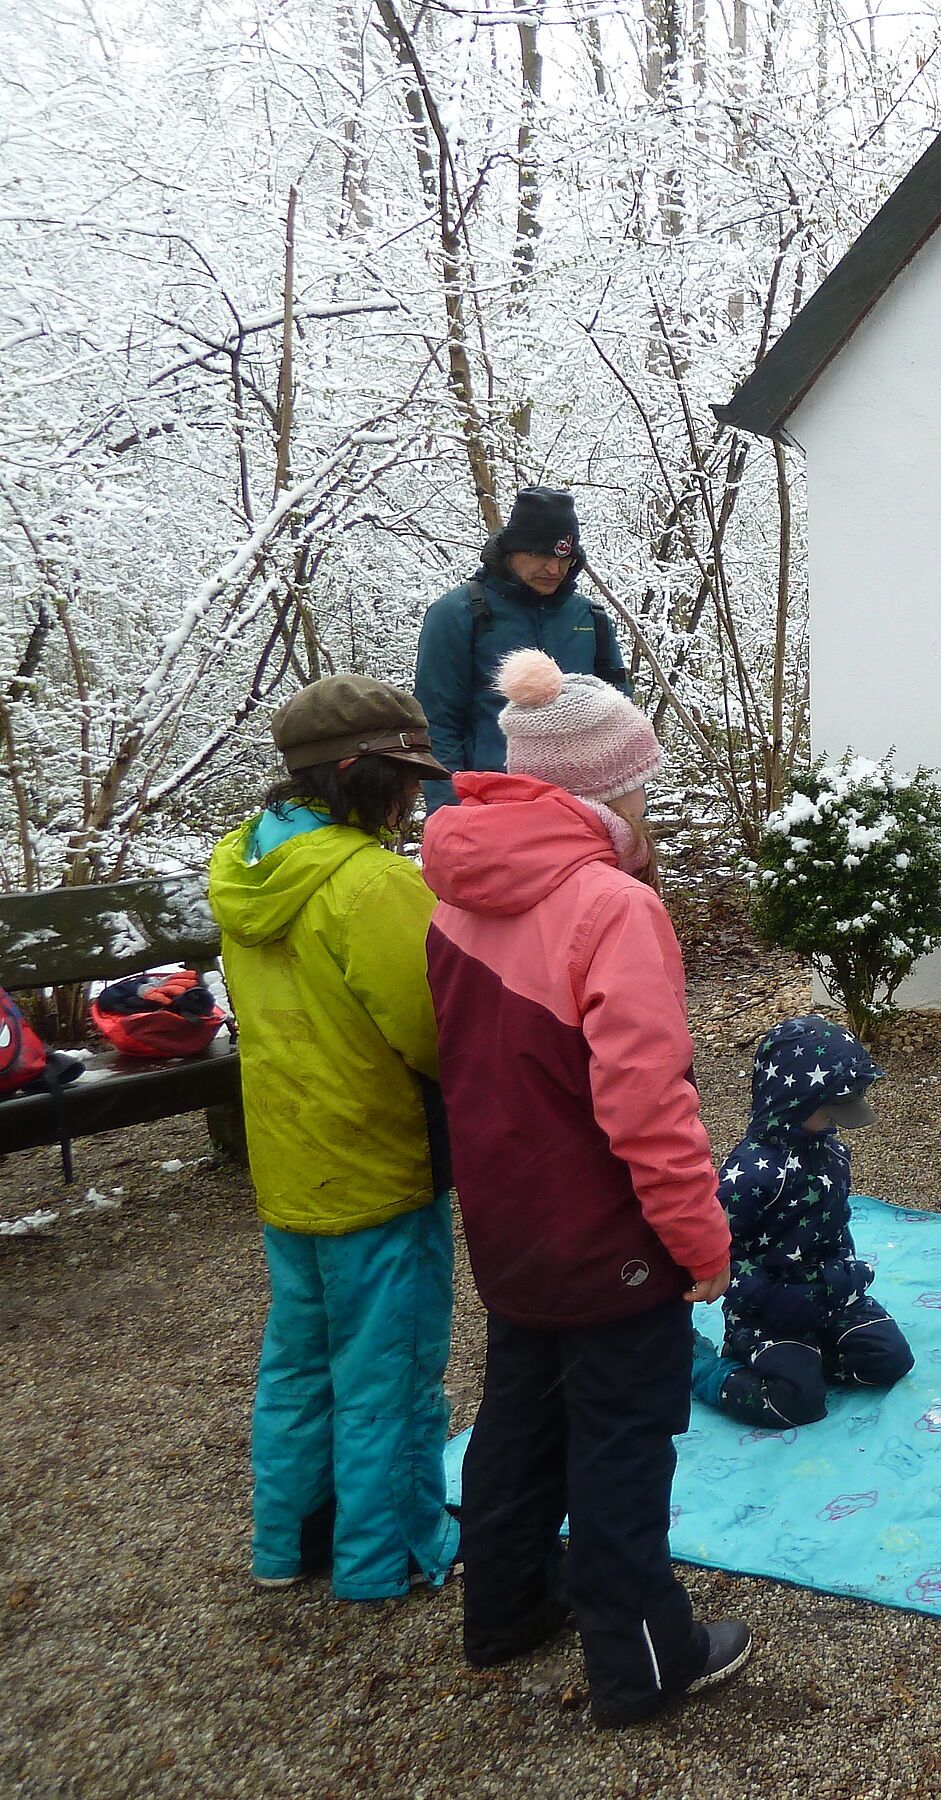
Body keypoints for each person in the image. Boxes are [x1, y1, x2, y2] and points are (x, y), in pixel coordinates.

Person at [422, 647, 750, 1725]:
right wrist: (701, 1241)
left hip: (510, 1226)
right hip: (608, 1238)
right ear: (606, 788)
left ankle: (506, 1607)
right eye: (638, 782)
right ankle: (645, 1659)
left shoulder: (457, 891)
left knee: (519, 1415)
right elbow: (647, 1108)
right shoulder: (610, 907)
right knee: (622, 1440)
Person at [208, 676, 457, 1601]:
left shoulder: (245, 863)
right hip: (378, 1163)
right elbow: (436, 1030)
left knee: (299, 1360)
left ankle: (286, 1545)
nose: (413, 797)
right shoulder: (372, 882)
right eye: (403, 778)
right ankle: (383, 1558)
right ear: (355, 774)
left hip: (289, 1164)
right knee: (387, 1368)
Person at [689, 1015, 915, 1428]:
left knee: (891, 1359)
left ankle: (808, 1359)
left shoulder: (831, 1154)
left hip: (828, 1294)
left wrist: (844, 1276)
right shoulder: (753, 1171)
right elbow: (716, 1249)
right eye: (828, 1110)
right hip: (768, 1309)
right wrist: (768, 1296)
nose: (836, 1120)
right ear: (793, 1099)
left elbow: (835, 1227)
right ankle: (699, 1366)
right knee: (793, 1404)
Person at [413, 485, 631, 809]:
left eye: (564, 558)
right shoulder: (458, 614)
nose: (554, 569)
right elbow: (436, 723)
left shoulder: (591, 619)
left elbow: (618, 720)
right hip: (490, 807)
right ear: (513, 550)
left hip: (582, 810)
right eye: (540, 555)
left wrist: (625, 814)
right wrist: (451, 814)